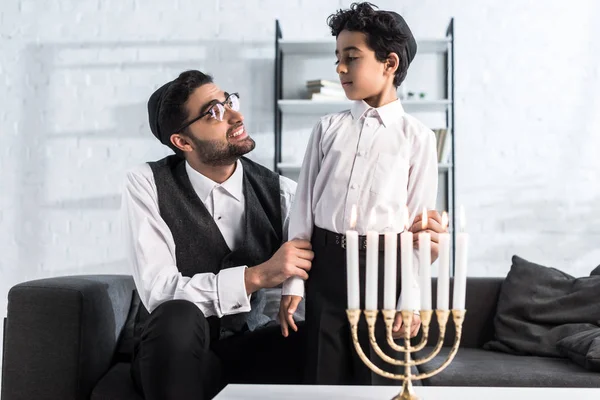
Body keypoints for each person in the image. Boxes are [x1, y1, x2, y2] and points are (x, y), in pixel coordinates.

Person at [277, 2, 447, 385]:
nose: (339, 68)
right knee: (323, 378)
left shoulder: (417, 138)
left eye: (351, 58)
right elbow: (302, 209)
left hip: (388, 272)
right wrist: (294, 282)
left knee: (379, 382)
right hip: (325, 269)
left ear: (389, 64)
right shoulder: (327, 129)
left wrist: (411, 296)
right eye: (337, 57)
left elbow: (420, 227)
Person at [121, 70, 314, 400]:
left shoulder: (282, 192)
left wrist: (403, 243)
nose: (236, 116)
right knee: (177, 314)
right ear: (183, 142)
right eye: (214, 112)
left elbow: (324, 262)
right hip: (175, 353)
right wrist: (255, 277)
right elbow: (160, 292)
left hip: (251, 349)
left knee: (322, 338)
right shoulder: (147, 184)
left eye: (230, 101)